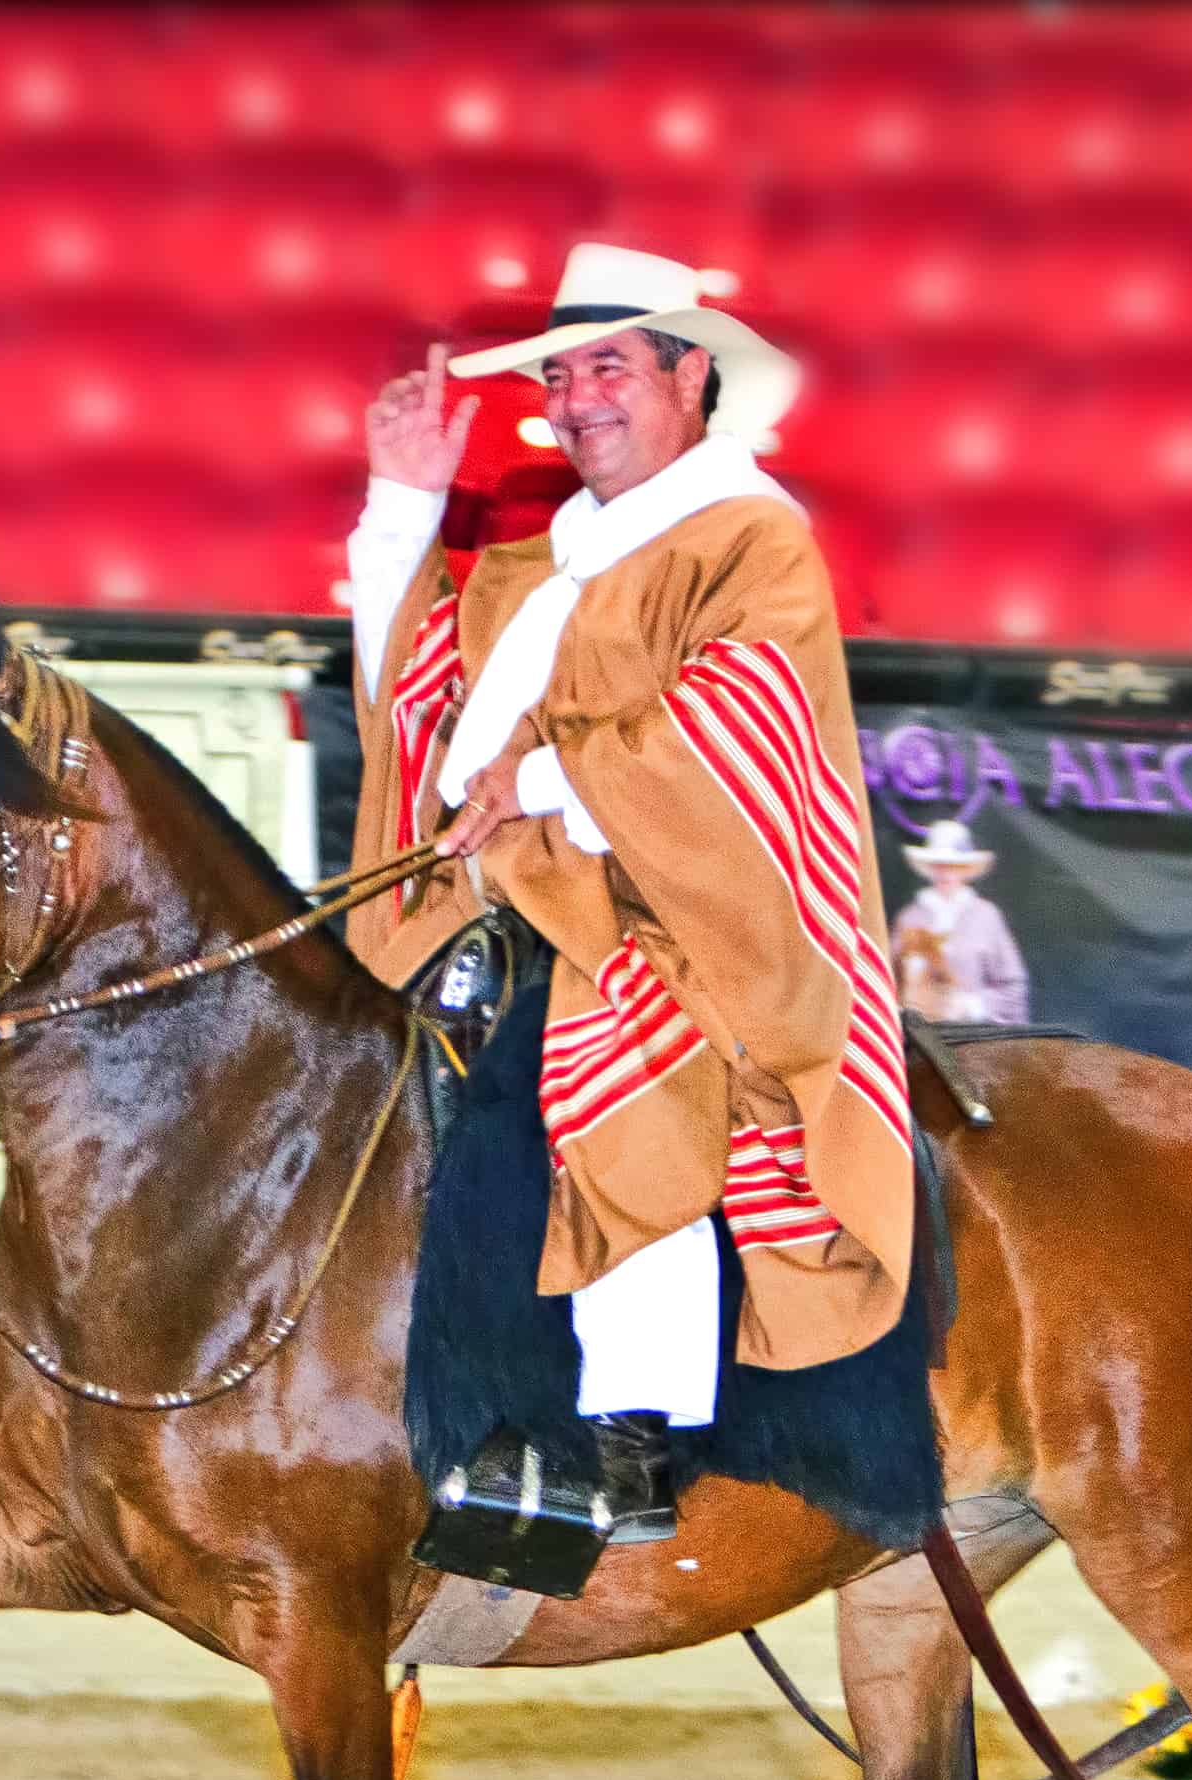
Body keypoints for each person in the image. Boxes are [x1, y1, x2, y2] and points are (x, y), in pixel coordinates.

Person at [344, 245, 912, 1544]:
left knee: (592, 1052)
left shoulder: (753, 539)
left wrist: (545, 784)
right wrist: (400, 505)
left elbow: (747, 725)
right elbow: (417, 699)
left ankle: (625, 1435)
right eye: (559, 371)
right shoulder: (544, 564)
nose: (575, 393)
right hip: (497, 908)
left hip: (678, 921)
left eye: (608, 362)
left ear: (690, 372)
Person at [890, 822, 1028, 1024]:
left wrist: (971, 1005)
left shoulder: (986, 916)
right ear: (929, 867)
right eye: (939, 865)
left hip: (971, 1038)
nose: (946, 873)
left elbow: (1013, 985)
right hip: (915, 1034)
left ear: (966, 869)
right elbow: (888, 979)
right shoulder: (909, 917)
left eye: (954, 866)